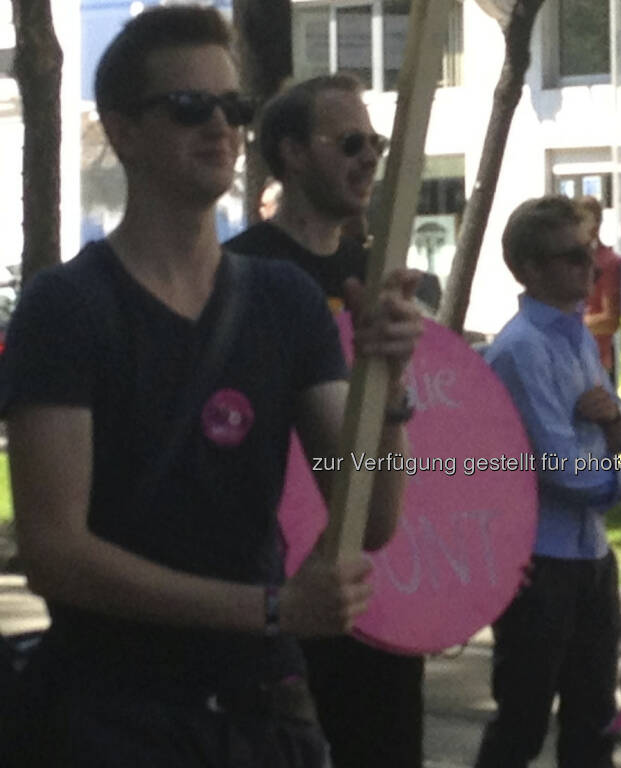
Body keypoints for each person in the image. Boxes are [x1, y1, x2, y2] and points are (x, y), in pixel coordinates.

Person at [0, 7, 419, 767]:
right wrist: (270, 609)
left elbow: (372, 513)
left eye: (235, 108)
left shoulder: (285, 301)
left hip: (263, 716)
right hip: (116, 719)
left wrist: (388, 388)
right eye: (190, 107)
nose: (222, 127)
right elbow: (54, 551)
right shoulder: (66, 308)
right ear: (123, 131)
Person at [225, 73, 426, 768]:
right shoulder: (236, 275)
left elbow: (426, 439)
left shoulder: (382, 280)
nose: (370, 157)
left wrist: (474, 569)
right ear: (291, 154)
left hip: (378, 595)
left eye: (376, 142)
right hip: (275, 599)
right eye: (349, 142)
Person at [475, 195, 621, 768]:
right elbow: (561, 469)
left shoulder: (577, 336)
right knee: (523, 718)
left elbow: (620, 432)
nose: (590, 266)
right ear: (530, 269)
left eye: (589, 252)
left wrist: (613, 423)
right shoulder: (522, 349)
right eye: (572, 256)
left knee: (594, 719)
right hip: (541, 558)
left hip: (587, 555)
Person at [577, 196, 621, 378]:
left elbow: (610, 320)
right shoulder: (567, 262)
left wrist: (567, 322)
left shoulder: (608, 263)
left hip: (596, 365)